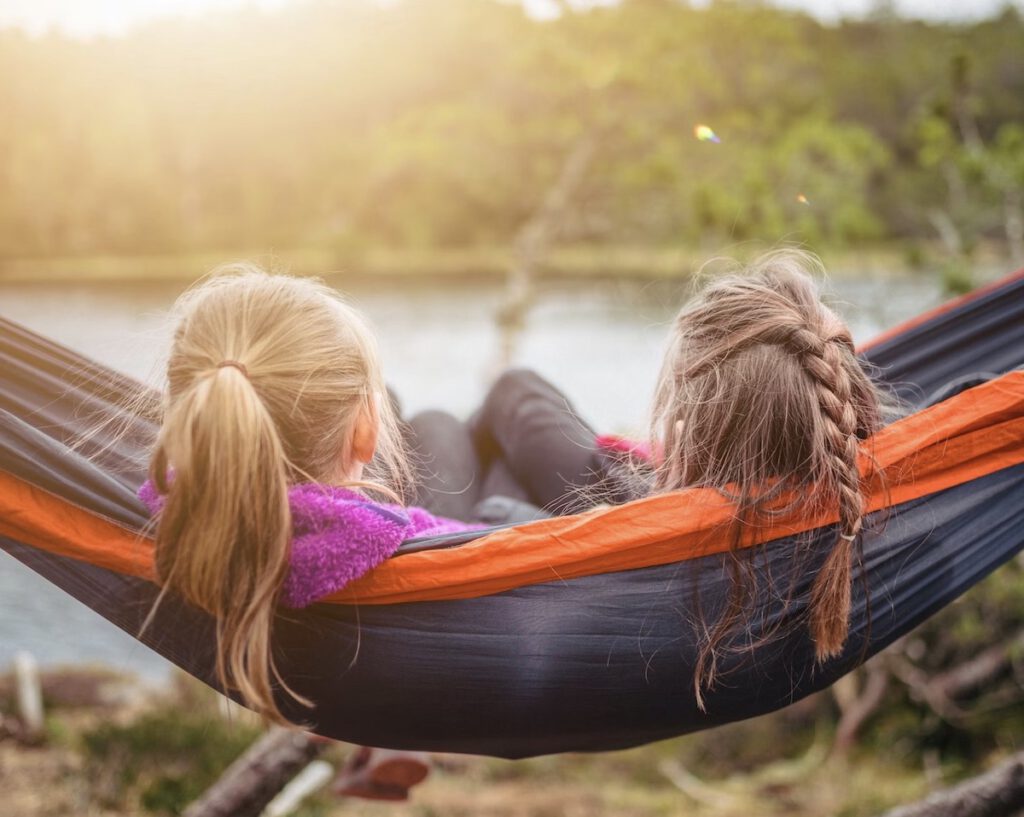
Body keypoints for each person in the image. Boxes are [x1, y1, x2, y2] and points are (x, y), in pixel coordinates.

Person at [139, 265, 475, 799]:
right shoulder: (396, 536)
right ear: (365, 432)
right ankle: (392, 739)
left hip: (356, 626)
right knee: (485, 408)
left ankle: (389, 744)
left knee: (425, 421)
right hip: (475, 545)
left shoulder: (175, 511)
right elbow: (492, 545)